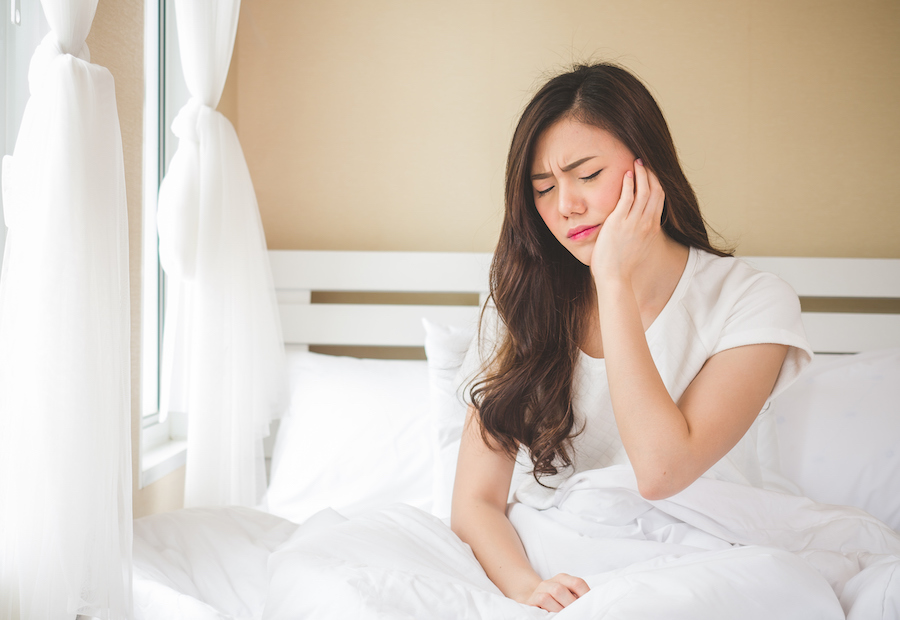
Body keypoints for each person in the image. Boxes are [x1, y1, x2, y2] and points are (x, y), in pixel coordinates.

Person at [449, 62, 813, 612]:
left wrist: (612, 280)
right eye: (543, 188)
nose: (565, 205)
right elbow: (476, 500)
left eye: (587, 175)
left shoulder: (751, 300)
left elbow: (662, 471)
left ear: (649, 168)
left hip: (704, 554)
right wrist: (525, 586)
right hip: (555, 556)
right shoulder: (523, 301)